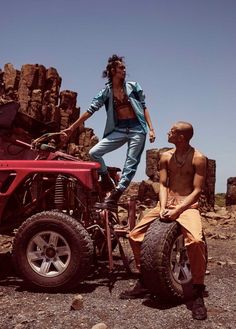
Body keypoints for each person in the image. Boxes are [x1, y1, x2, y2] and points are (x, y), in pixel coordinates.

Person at [120, 121, 208, 321]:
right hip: (165, 203)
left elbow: (196, 190)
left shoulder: (198, 158)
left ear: (181, 137)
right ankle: (145, 280)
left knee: (195, 241)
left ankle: (197, 291)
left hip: (187, 206)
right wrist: (163, 206)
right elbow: (163, 184)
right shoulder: (165, 156)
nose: (168, 132)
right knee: (134, 235)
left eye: (172, 131)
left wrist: (178, 209)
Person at [62, 54, 155, 208]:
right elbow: (90, 110)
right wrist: (72, 127)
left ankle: (115, 196)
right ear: (113, 70)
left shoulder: (134, 86)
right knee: (93, 153)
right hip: (119, 128)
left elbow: (144, 107)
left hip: (137, 128)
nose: (124, 70)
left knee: (130, 163)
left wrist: (151, 129)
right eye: (121, 68)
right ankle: (105, 179)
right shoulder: (106, 92)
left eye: (124, 68)